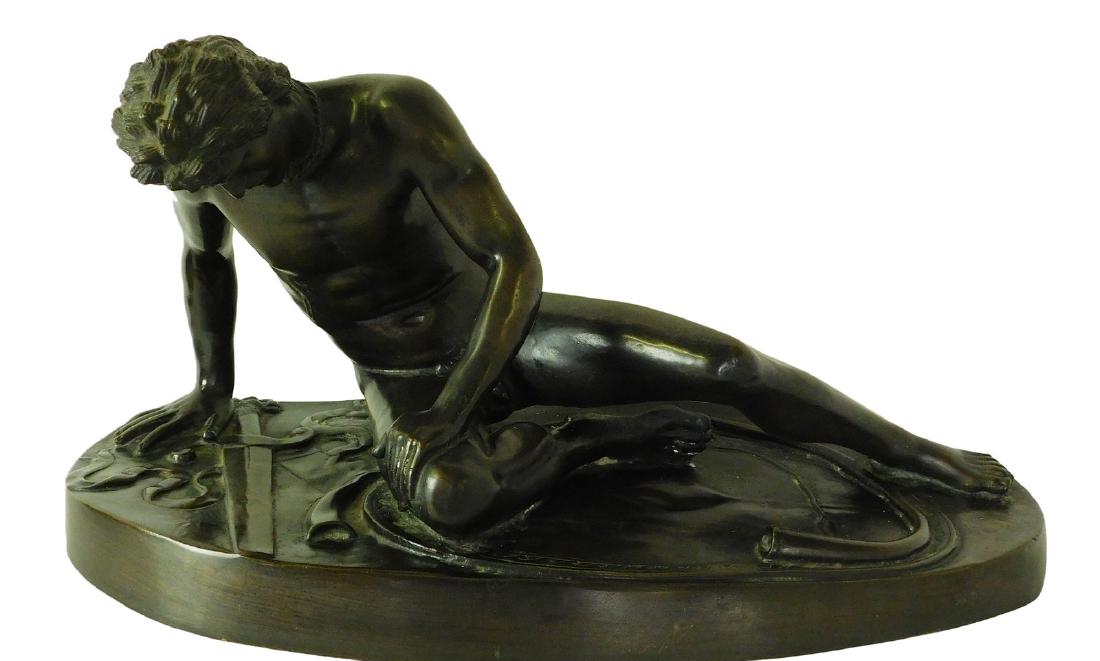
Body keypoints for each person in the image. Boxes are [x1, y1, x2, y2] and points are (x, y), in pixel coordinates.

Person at [112, 36, 1010, 536]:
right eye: (220, 177)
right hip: (399, 377)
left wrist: (459, 405)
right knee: (452, 502)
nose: (240, 185)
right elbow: (206, 261)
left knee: (728, 367)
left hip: (509, 329)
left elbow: (514, 261)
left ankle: (917, 452)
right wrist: (212, 387)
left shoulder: (390, 113)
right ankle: (589, 438)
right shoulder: (208, 168)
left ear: (272, 94)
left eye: (245, 161)